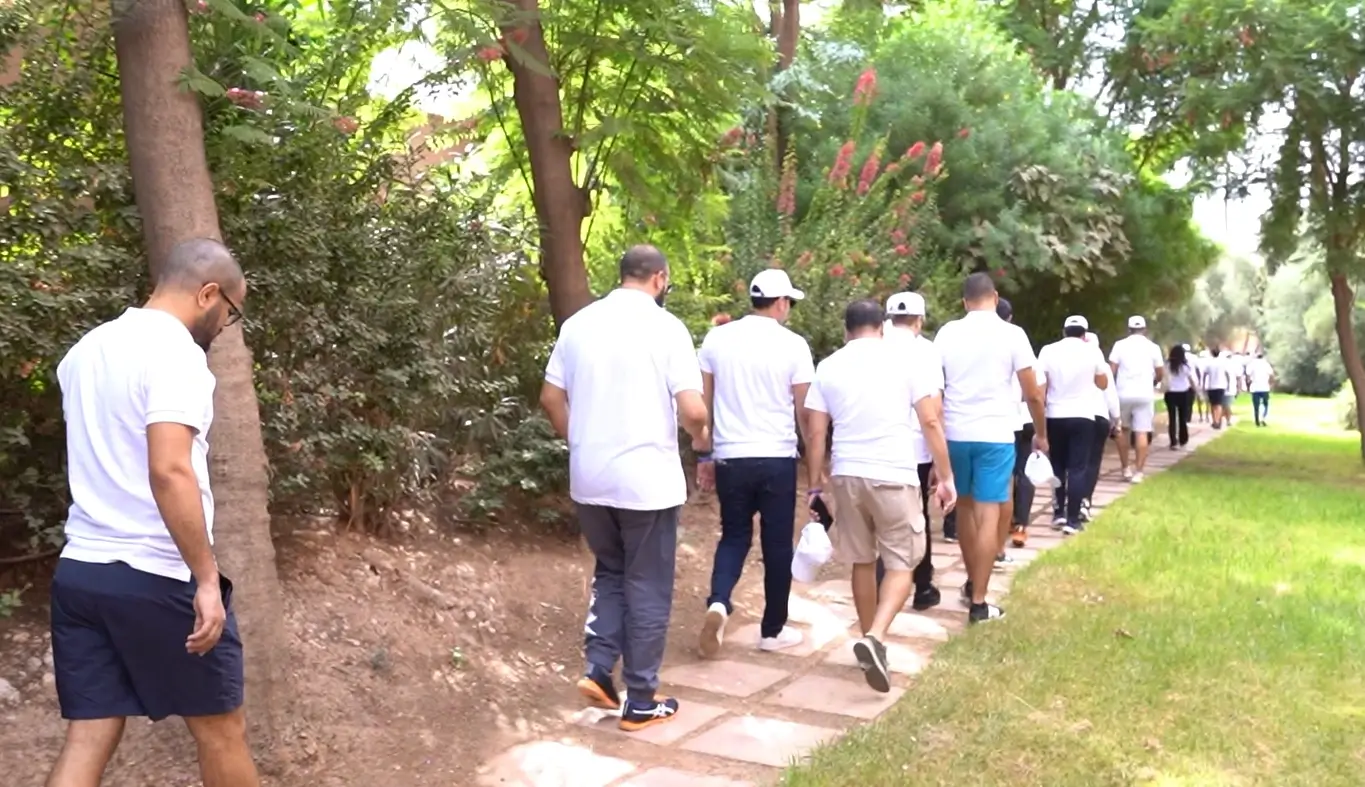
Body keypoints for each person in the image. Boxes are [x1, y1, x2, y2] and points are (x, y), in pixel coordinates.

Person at [47, 238, 260, 787]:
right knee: (222, 730)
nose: (225, 326)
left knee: (90, 734)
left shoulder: (86, 351)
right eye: (231, 312)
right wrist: (206, 579)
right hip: (155, 573)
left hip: (82, 573)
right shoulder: (175, 353)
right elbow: (169, 470)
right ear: (208, 294)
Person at [539, 245, 710, 731]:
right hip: (647, 481)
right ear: (660, 278)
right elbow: (693, 410)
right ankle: (641, 699)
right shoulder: (667, 328)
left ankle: (598, 668)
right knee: (648, 584)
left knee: (611, 571)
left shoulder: (578, 325)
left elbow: (550, 397)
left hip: (590, 476)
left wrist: (580, 441)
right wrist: (700, 436)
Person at [804, 300, 956, 691]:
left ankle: (869, 641)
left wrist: (815, 483)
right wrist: (945, 475)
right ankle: (875, 637)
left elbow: (816, 432)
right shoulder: (906, 361)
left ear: (846, 330)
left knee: (862, 561)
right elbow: (930, 420)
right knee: (903, 562)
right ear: (883, 328)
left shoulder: (828, 366)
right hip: (894, 473)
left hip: (847, 474)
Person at [695, 268, 814, 657]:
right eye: (789, 302)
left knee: (733, 536)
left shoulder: (717, 339)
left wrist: (705, 453)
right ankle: (772, 630)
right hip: (777, 457)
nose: (789, 309)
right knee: (777, 544)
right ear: (779, 303)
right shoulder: (794, 345)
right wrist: (815, 466)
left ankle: (718, 601)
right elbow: (805, 412)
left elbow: (703, 403)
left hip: (731, 455)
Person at [934, 273, 1046, 623]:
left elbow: (935, 388)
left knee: (965, 510)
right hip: (996, 434)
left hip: (956, 432)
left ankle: (972, 582)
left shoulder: (947, 333)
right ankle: (980, 602)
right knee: (989, 515)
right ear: (995, 298)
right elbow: (1033, 393)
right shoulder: (1013, 334)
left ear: (964, 301)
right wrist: (1041, 432)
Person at [880, 291, 944, 610]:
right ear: (919, 320)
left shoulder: (874, 345)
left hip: (879, 444)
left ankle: (881, 581)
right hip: (916, 446)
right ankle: (922, 586)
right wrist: (939, 459)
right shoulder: (927, 351)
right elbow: (935, 407)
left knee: (880, 516)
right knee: (917, 517)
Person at [1037, 316, 1109, 535]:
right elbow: (1103, 383)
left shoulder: (1048, 351)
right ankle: (1072, 520)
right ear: (1084, 334)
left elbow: (1042, 385)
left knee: (1057, 465)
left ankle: (1058, 512)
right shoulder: (1092, 351)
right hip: (1083, 415)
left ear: (1064, 331)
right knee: (1078, 468)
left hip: (1055, 414)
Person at [996, 297, 1036, 553]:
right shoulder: (1017, 338)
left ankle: (996, 529)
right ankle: (1019, 525)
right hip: (1022, 419)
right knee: (1023, 473)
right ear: (1010, 317)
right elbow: (1035, 388)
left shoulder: (971, 339)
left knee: (1002, 477)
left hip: (995, 422)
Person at [1108, 316, 1164, 482]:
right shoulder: (1153, 347)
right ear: (1145, 329)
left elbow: (1111, 370)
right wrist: (1155, 381)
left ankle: (1125, 468)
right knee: (1142, 431)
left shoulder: (1119, 345)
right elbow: (1160, 372)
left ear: (1129, 329)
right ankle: (1139, 472)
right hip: (1144, 394)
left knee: (1122, 430)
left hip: (1123, 394)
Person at [1075, 331, 1119, 524]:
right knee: (1092, 462)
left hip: (1075, 416)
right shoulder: (1102, 365)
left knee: (1075, 462)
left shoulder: (1070, 363)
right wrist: (1116, 419)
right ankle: (1085, 500)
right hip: (1099, 417)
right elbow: (1111, 395)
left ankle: (1070, 501)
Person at [1164, 344, 1196, 448]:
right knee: (1183, 417)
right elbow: (1191, 380)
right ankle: (1183, 438)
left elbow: (1165, 378)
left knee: (1172, 418)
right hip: (1184, 393)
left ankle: (1173, 441)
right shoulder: (1185, 367)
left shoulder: (1167, 365)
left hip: (1170, 393)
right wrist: (1196, 390)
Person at [1203, 348, 1230, 429]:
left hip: (1211, 386)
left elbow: (1205, 374)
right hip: (1221, 386)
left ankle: (1215, 420)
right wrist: (1228, 383)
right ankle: (1218, 420)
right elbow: (1227, 374)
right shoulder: (1222, 363)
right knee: (1219, 404)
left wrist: (1204, 384)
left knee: (1213, 404)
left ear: (1211, 353)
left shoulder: (1209, 363)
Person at [1247, 351, 1276, 426]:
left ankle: (1257, 420)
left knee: (1256, 405)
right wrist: (1271, 384)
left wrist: (1249, 384)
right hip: (1264, 387)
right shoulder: (1266, 364)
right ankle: (1263, 418)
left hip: (1255, 387)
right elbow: (1272, 375)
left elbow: (1248, 375)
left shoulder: (1252, 364)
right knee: (1265, 404)